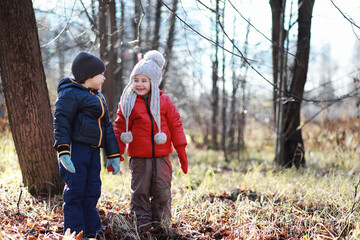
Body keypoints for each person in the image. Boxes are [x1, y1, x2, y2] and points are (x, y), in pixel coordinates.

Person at [114, 50, 188, 232]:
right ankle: (143, 227)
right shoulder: (128, 103)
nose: (139, 84)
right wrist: (115, 154)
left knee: (162, 191)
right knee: (140, 192)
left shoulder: (165, 101)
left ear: (153, 82)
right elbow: (119, 127)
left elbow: (176, 125)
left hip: (162, 157)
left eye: (144, 80)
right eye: (136, 80)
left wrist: (181, 151)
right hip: (139, 158)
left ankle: (162, 226)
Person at [53, 52, 121, 237]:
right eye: (101, 74)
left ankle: (92, 230)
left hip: (93, 153)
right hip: (76, 151)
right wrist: (63, 150)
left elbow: (107, 128)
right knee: (75, 191)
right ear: (88, 76)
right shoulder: (70, 93)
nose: (104, 77)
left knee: (92, 190)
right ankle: (75, 231)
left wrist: (113, 155)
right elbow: (62, 122)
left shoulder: (99, 97)